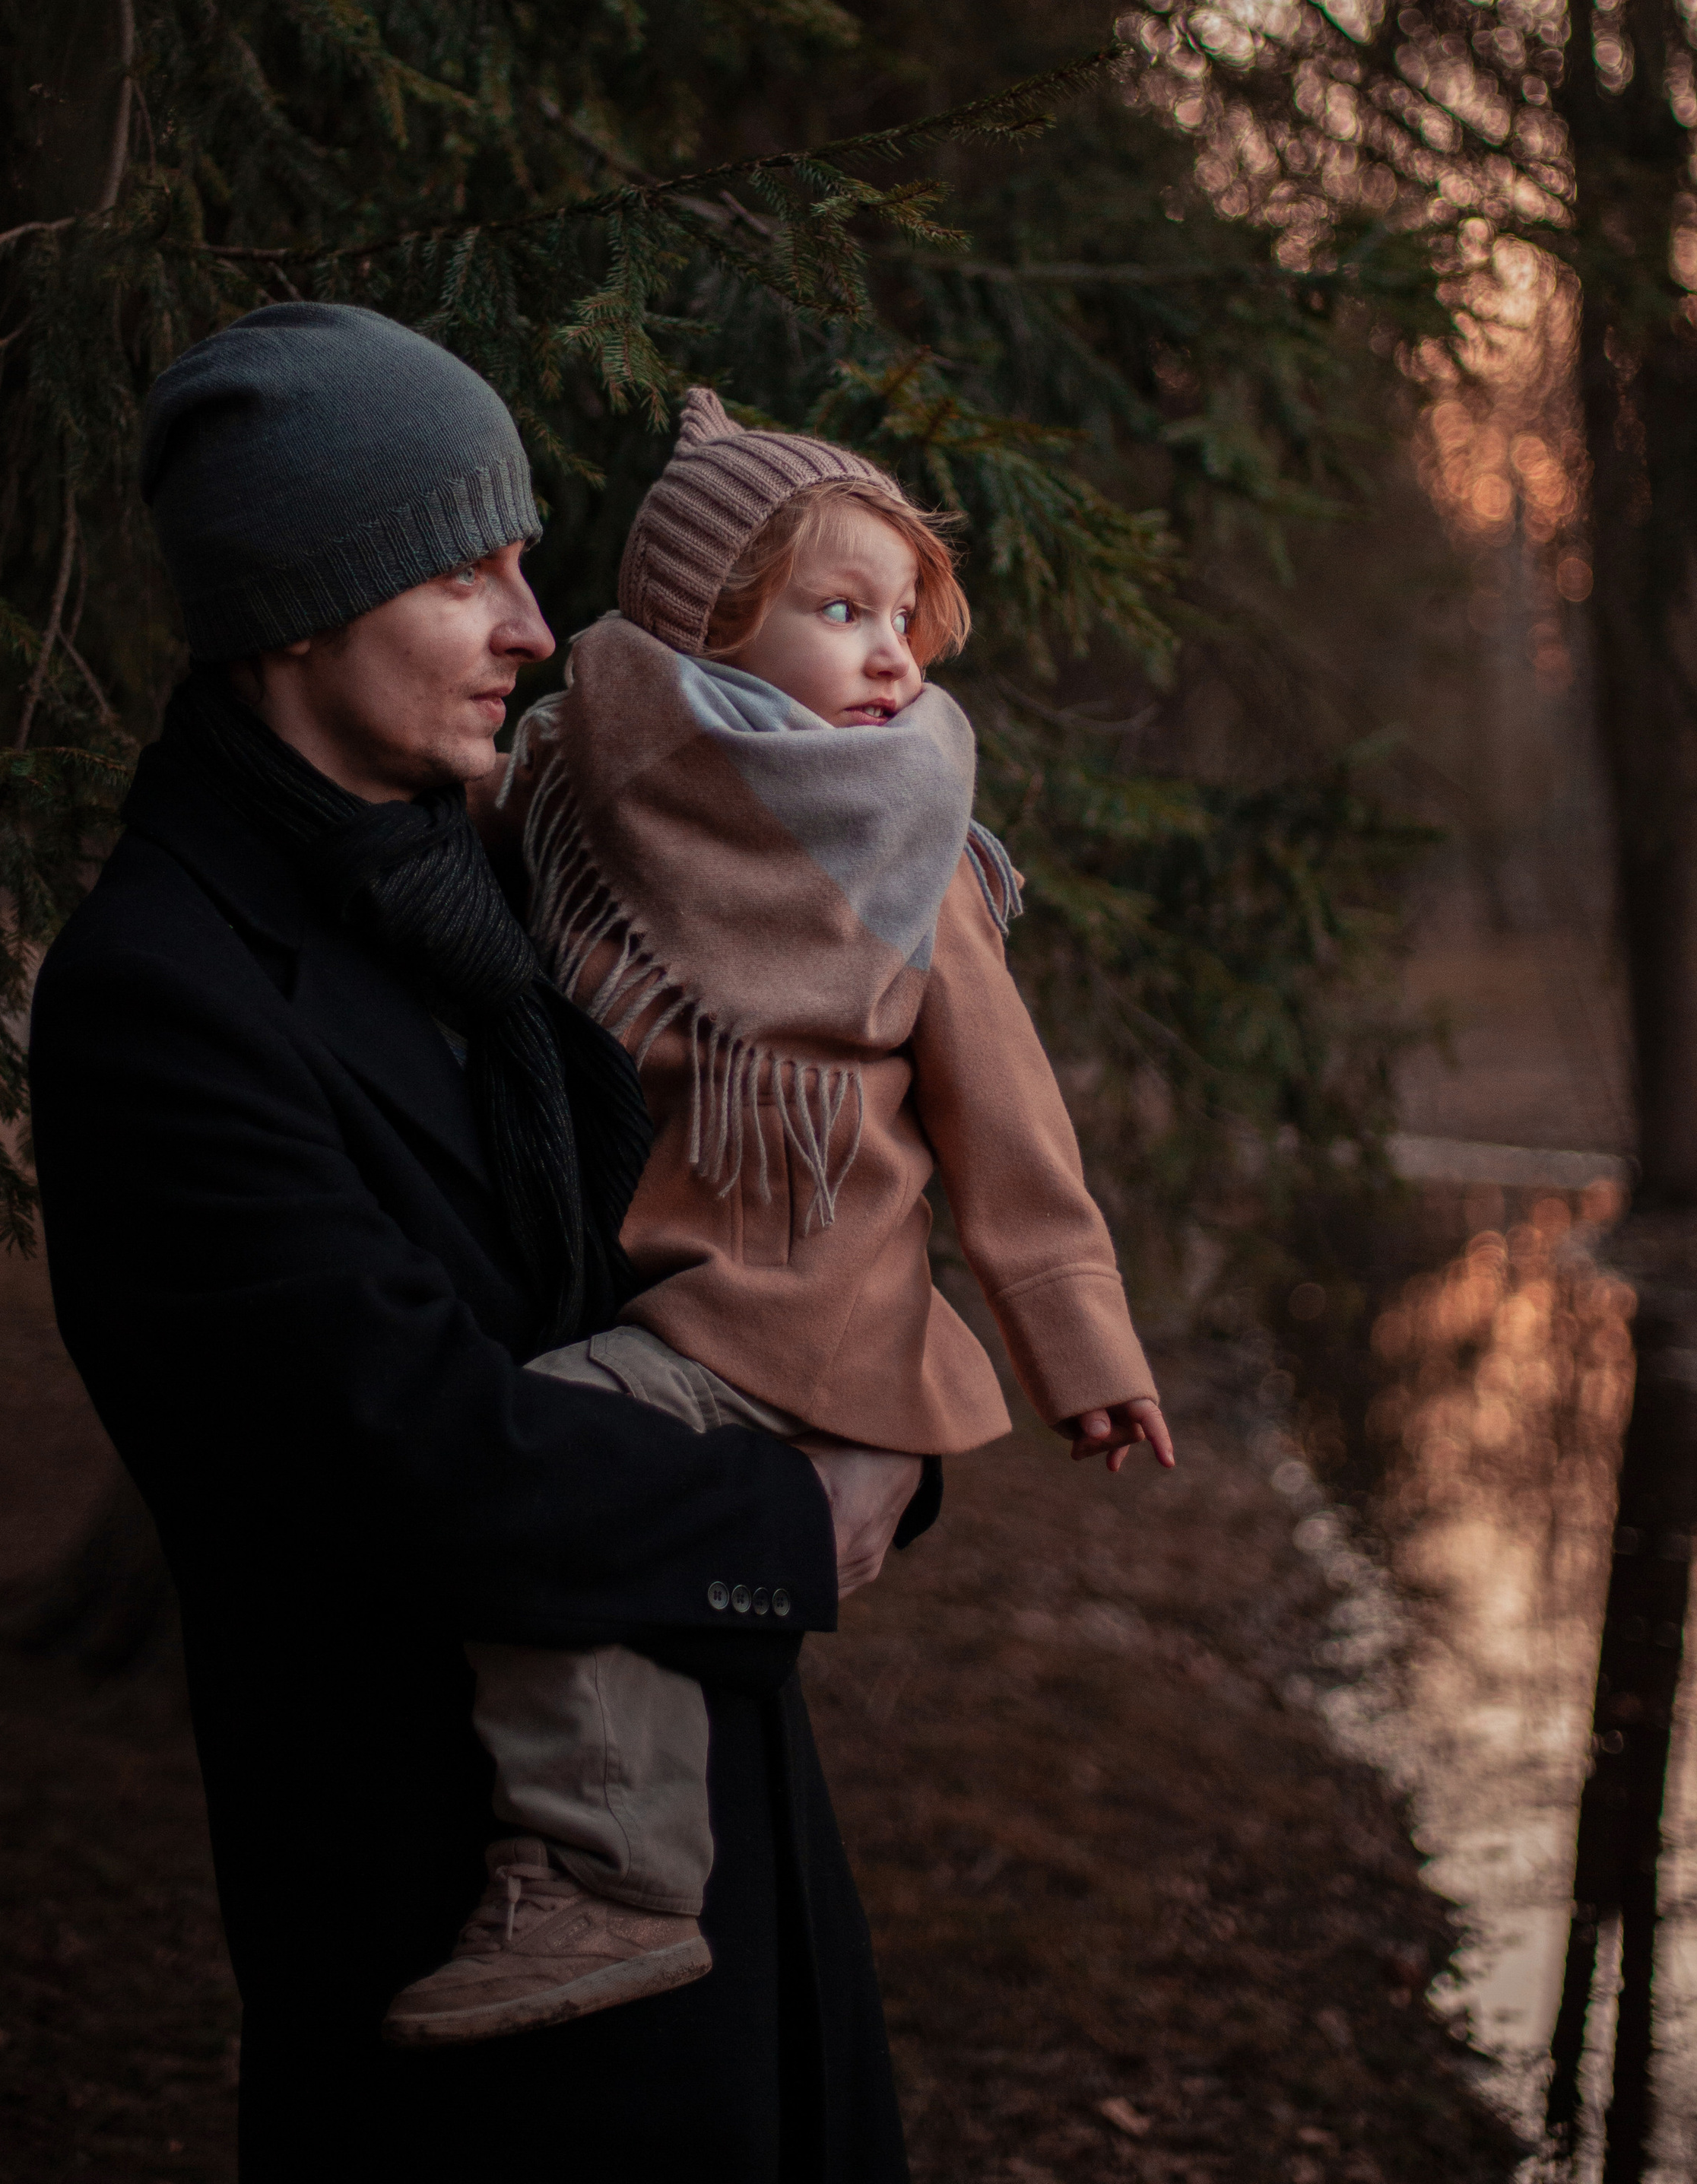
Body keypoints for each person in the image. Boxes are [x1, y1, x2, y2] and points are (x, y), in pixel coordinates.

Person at [29, 306, 926, 2182]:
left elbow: (748, 1207)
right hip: (466, 1934)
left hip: (733, 1848)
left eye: (524, 566)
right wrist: (793, 1510)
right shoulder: (163, 995)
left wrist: (879, 1420)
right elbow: (406, 1459)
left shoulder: (513, 881)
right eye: (465, 576)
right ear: (299, 606)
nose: (533, 628)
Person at [382, 388, 1175, 2048]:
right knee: (599, 1499)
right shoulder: (589, 770)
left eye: (905, 617)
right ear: (709, 620)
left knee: (556, 1461)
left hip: (811, 1295)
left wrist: (1082, 1347)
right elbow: (470, 862)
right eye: (840, 610)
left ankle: (606, 1875)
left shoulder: (905, 839)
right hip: (666, 1275)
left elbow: (1008, 1123)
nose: (891, 655)